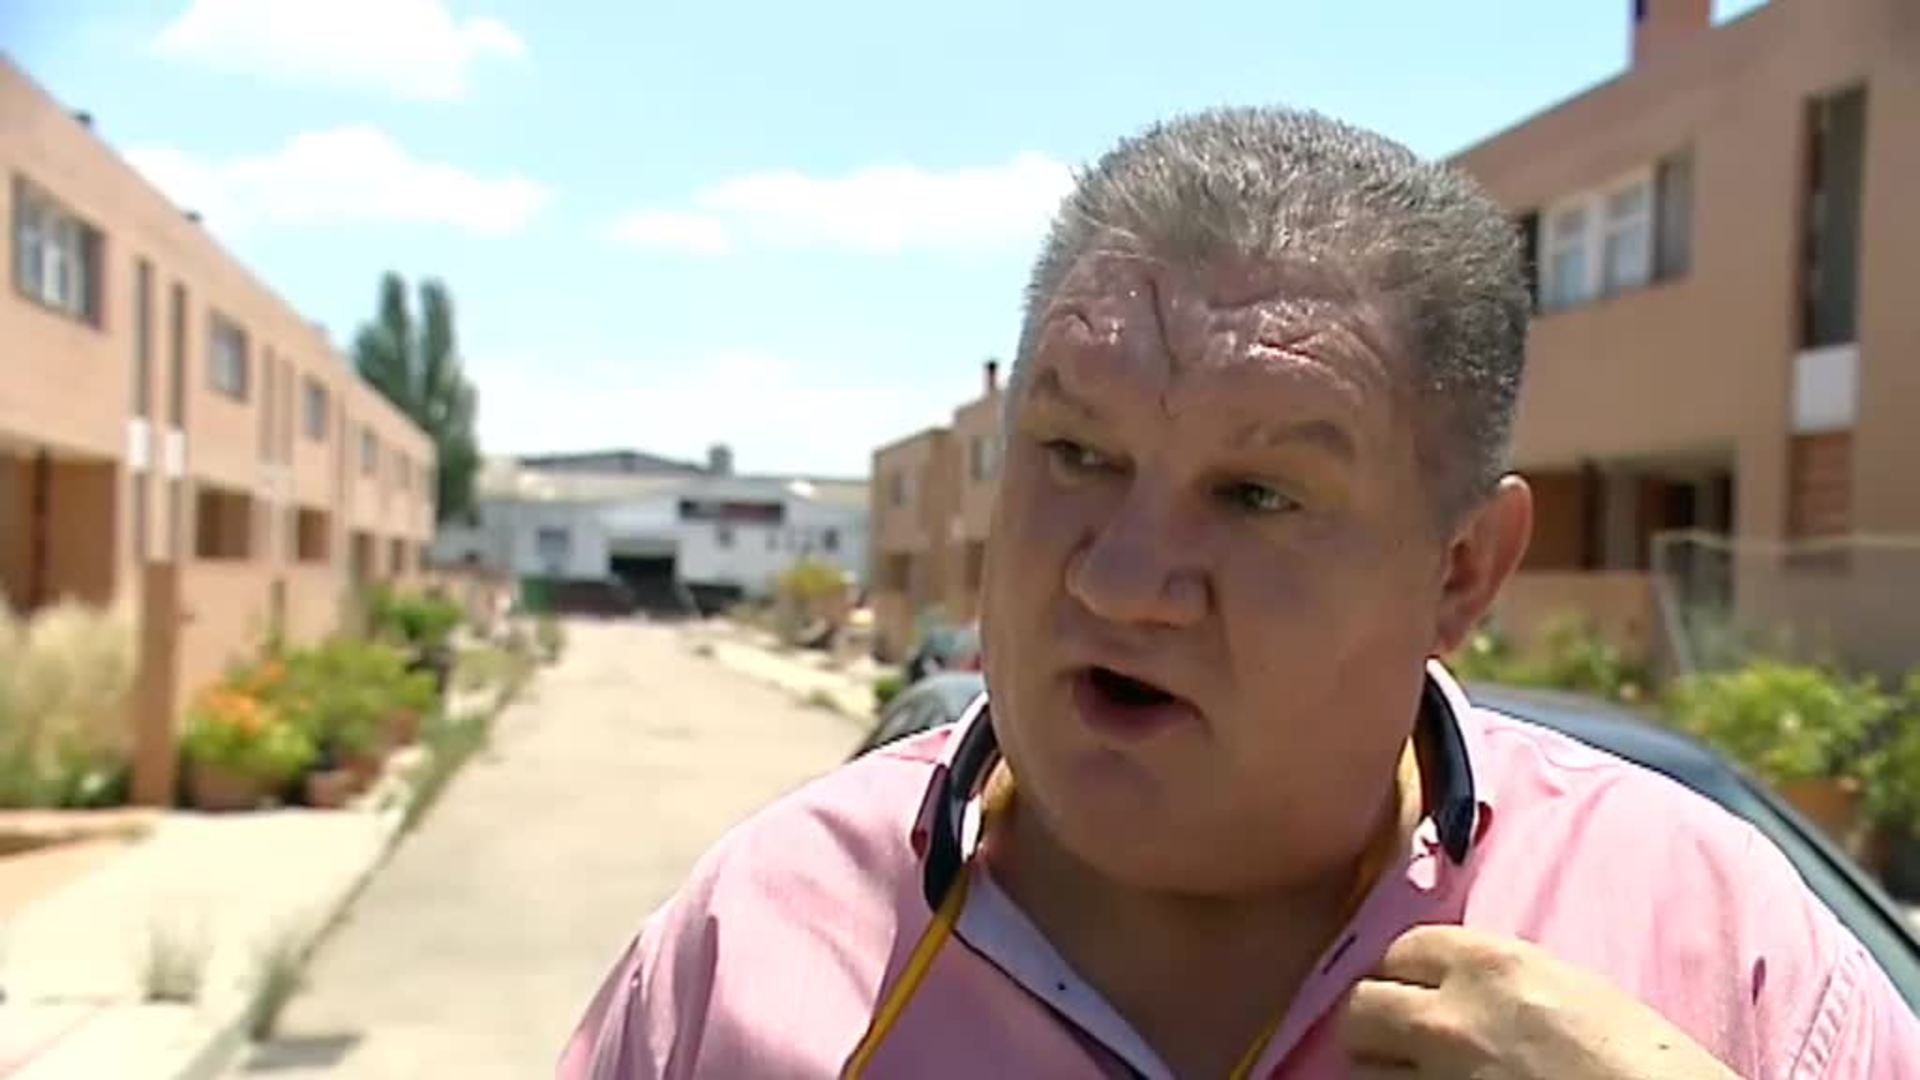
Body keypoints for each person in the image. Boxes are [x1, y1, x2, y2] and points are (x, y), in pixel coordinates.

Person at [561, 108, 1920, 1078]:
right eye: (1077, 455)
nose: (1124, 580)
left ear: (1460, 572)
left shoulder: (1720, 948)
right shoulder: (753, 943)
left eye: (1259, 494)